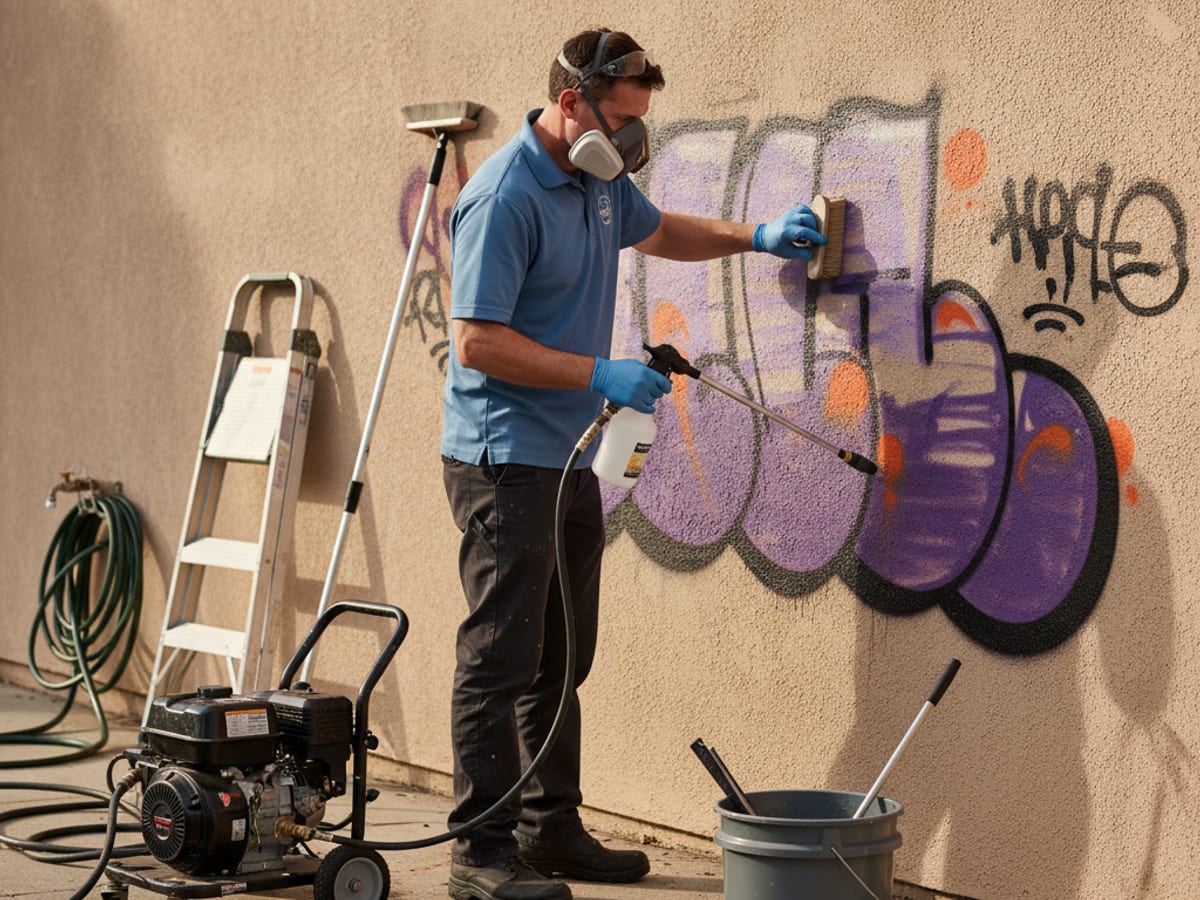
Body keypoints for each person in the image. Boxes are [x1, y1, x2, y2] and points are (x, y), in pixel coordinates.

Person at [439, 27, 826, 900]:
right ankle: (480, 858)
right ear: (571, 104)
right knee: (502, 656)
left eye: (641, 124)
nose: (632, 144)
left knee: (561, 657)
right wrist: (597, 373)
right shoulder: (504, 196)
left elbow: (663, 232)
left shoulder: (598, 183)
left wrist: (756, 236)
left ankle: (548, 829)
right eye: (621, 122)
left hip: (569, 454)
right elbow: (475, 342)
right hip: (506, 460)